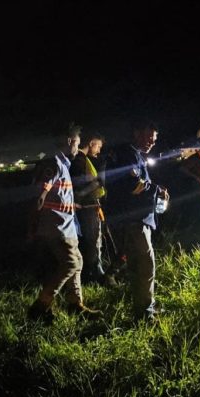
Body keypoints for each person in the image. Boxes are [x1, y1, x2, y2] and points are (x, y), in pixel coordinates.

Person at [27, 122, 101, 322]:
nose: (78, 146)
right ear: (69, 141)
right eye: (77, 142)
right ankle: (40, 306)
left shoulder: (62, 164)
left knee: (77, 262)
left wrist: (71, 206)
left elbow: (56, 196)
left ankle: (75, 304)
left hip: (66, 226)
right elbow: (39, 196)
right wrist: (33, 226)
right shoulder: (53, 164)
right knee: (70, 263)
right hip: (56, 227)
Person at [104, 119, 164, 321]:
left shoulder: (134, 154)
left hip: (136, 219)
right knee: (145, 263)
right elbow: (134, 186)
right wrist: (157, 190)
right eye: (148, 137)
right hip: (133, 220)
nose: (151, 142)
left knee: (137, 266)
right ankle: (145, 312)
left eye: (154, 140)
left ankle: (143, 307)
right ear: (136, 132)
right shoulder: (127, 155)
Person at [71, 132, 106, 284]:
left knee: (91, 240)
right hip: (88, 206)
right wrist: (97, 183)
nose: (99, 150)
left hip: (87, 205)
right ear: (92, 143)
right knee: (93, 240)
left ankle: (92, 272)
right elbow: (81, 186)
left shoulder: (82, 159)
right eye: (98, 146)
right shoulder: (80, 160)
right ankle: (93, 275)